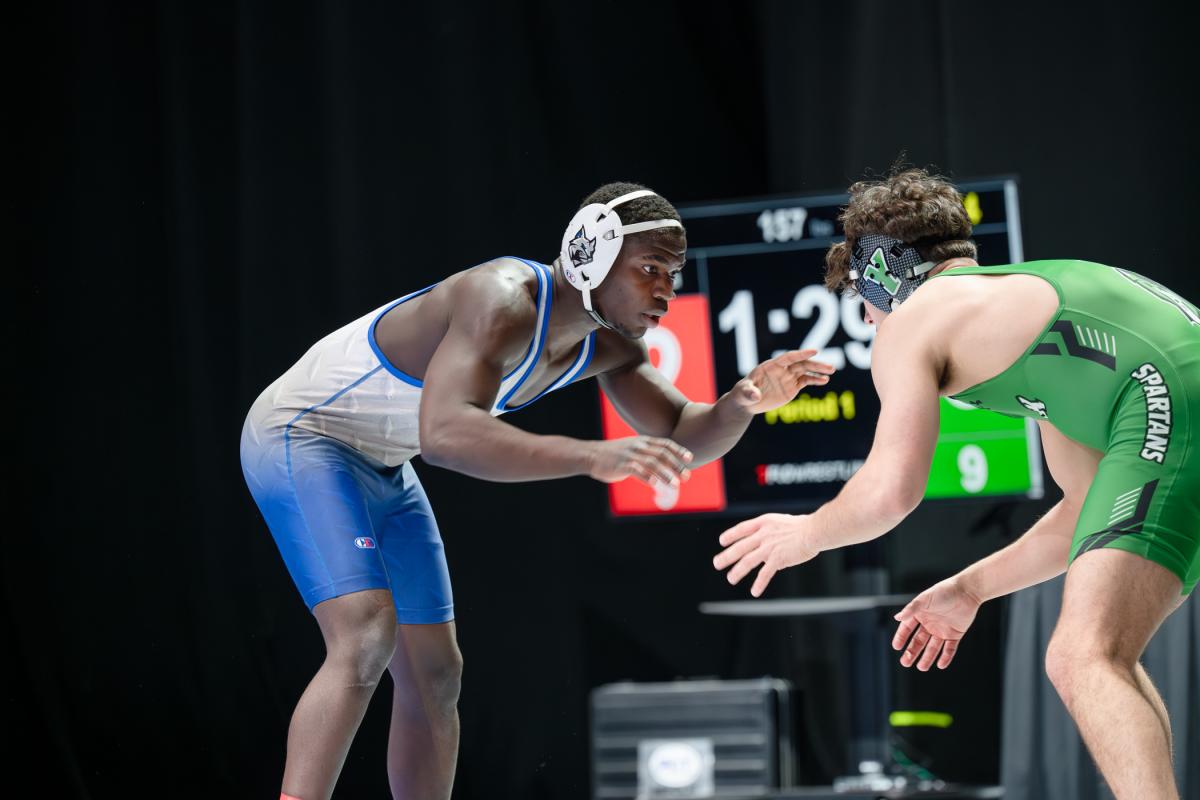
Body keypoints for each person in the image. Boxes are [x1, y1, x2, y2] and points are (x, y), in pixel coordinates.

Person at [240, 181, 835, 800]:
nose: (667, 290)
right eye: (651, 268)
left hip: (381, 463)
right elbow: (444, 434)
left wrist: (743, 402)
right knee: (365, 634)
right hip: (302, 434)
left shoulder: (610, 344)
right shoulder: (499, 297)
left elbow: (685, 434)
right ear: (590, 254)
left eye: (675, 273)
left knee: (438, 674)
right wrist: (589, 456)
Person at [712, 168, 1198, 799]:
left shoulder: (915, 319)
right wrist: (970, 589)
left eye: (861, 301)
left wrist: (808, 532)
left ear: (881, 279)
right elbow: (1085, 512)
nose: (865, 320)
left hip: (1169, 400)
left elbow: (891, 491)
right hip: (1170, 400)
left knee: (1083, 656)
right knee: (1106, 656)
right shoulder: (1029, 314)